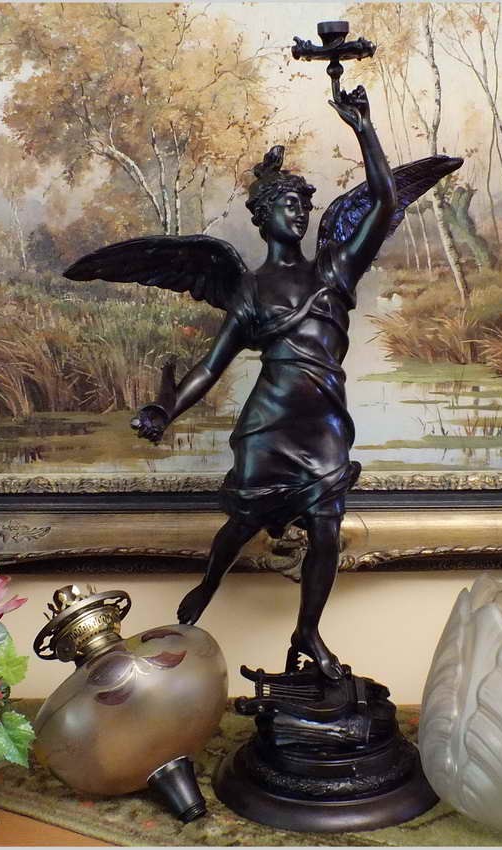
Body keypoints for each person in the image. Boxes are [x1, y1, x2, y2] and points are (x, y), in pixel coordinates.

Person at [133, 86, 396, 681]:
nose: (300, 213)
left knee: (327, 527)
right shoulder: (249, 290)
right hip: (268, 425)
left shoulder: (334, 268)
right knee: (245, 520)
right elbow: (211, 366)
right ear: (263, 215)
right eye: (289, 205)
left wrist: (363, 128)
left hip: (324, 423)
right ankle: (210, 583)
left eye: (305, 205)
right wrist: (166, 412)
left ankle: (308, 632)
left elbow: (383, 201)